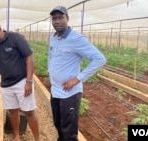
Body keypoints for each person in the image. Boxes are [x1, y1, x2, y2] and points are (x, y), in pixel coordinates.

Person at [48, 6, 107, 141]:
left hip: (70, 94)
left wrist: (77, 79)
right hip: (55, 90)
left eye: (60, 18)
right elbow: (52, 59)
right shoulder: (53, 38)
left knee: (69, 131)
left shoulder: (76, 39)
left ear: (67, 19)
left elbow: (99, 59)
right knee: (58, 124)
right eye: (54, 18)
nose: (57, 21)